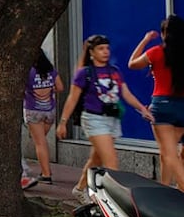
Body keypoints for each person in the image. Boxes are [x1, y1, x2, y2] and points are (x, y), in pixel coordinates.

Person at [56, 34, 154, 204]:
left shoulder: (114, 71)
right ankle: (117, 203)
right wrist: (63, 122)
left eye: (107, 48)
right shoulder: (84, 73)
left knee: (97, 158)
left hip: (112, 119)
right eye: (101, 49)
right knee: (111, 161)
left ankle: (79, 189)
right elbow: (72, 98)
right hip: (94, 119)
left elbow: (126, 93)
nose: (105, 51)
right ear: (92, 52)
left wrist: (142, 108)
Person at [128, 15, 184, 189]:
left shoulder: (156, 53)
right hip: (182, 106)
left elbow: (132, 64)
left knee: (167, 153)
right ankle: (172, 189)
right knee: (173, 153)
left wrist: (145, 40)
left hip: (162, 105)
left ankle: (170, 190)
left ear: (163, 34)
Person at [24, 49, 64, 184]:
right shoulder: (51, 70)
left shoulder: (27, 71)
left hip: (33, 110)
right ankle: (45, 170)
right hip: (49, 111)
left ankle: (46, 174)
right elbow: (60, 87)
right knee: (42, 141)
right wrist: (50, 89)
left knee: (40, 143)